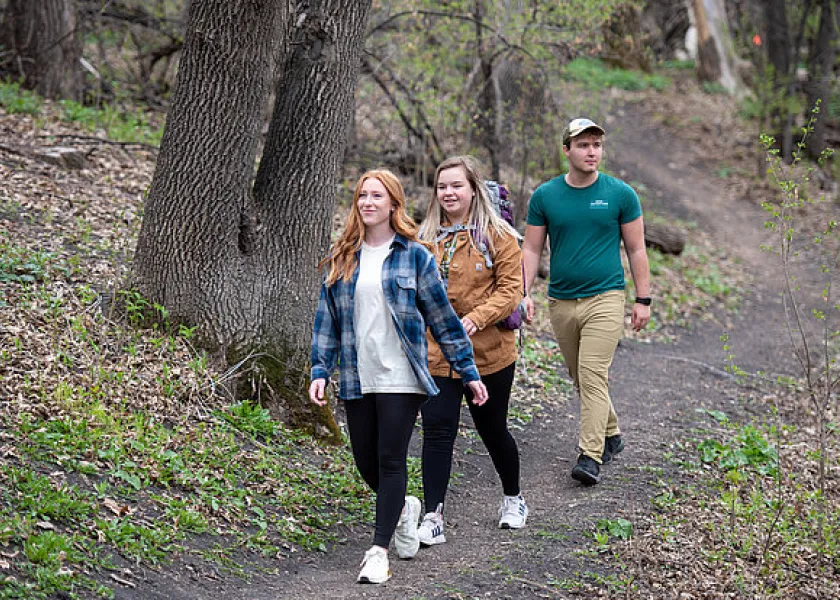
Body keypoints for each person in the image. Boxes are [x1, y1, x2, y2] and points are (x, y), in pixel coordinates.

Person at [309, 169, 488, 584]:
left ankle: (378, 551)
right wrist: (320, 370)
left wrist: (469, 372)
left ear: (393, 204)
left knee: (391, 459)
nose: (368, 202)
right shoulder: (343, 256)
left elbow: (444, 322)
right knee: (365, 463)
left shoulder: (415, 256)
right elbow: (326, 323)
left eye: (377, 196)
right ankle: (405, 508)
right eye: (362, 196)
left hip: (401, 376)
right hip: (357, 376)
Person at [522, 118, 651, 486]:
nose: (591, 151)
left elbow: (637, 248)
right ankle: (612, 434)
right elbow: (531, 249)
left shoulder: (620, 194)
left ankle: (590, 455)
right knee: (581, 377)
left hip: (606, 297)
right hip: (561, 301)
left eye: (596, 144)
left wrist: (643, 299)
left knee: (593, 373)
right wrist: (522, 292)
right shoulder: (546, 196)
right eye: (583, 145)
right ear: (567, 150)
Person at [415, 155, 528, 546]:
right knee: (437, 430)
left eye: (456, 186)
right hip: (436, 353)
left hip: (488, 353)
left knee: (492, 429)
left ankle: (513, 498)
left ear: (473, 189)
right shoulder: (424, 237)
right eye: (442, 187)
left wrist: (477, 318)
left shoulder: (498, 235)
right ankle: (433, 516)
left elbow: (511, 289)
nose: (448, 193)